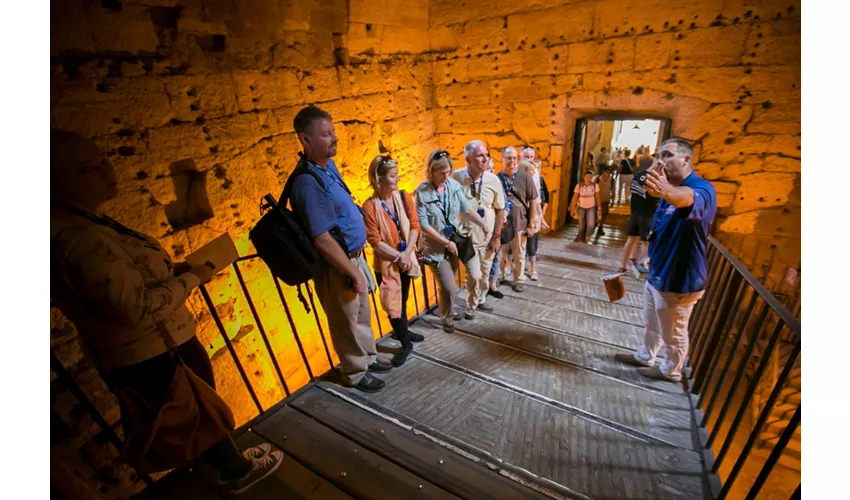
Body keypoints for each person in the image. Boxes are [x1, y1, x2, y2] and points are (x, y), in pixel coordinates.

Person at [49, 130, 283, 494]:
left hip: (152, 347)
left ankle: (218, 467)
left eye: (103, 161)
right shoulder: (80, 239)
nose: (105, 171)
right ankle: (236, 472)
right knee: (193, 415)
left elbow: (127, 281)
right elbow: (137, 308)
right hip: (154, 351)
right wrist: (192, 278)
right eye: (85, 169)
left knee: (192, 414)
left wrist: (169, 270)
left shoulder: (86, 223)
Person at [288, 106, 388, 393]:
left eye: (333, 132)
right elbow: (321, 238)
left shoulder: (326, 167)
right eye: (326, 134)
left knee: (361, 315)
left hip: (354, 258)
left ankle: (367, 359)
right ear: (305, 139)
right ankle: (355, 372)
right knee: (345, 321)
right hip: (337, 265)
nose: (335, 139)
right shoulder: (307, 182)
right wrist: (352, 272)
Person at [615, 138, 717, 383]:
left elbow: (687, 199)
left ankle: (671, 369)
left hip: (679, 278)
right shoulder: (666, 189)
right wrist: (647, 256)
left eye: (668, 155)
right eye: (659, 156)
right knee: (652, 321)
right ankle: (645, 355)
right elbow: (660, 227)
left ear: (686, 159)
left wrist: (665, 191)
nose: (660, 161)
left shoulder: (702, 189)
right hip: (658, 271)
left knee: (674, 331)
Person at [361, 155, 425, 368]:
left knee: (403, 298)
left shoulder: (404, 198)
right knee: (393, 304)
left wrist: (407, 254)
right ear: (379, 179)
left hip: (404, 259)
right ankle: (405, 343)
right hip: (387, 264)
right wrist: (400, 257)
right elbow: (374, 241)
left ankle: (402, 331)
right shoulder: (370, 207)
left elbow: (415, 226)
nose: (397, 179)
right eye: (393, 176)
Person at [416, 149, 487, 333]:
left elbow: (466, 209)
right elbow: (424, 225)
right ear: (432, 171)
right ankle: (447, 318)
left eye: (448, 172)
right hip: (437, 248)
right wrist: (446, 243)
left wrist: (482, 223)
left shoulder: (453, 186)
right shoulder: (422, 193)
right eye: (441, 173)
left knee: (447, 285)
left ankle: (447, 309)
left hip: (453, 243)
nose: (445, 176)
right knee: (448, 286)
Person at [453, 140, 506, 319]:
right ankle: (471, 304)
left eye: (486, 155)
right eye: (480, 156)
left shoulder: (493, 180)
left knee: (484, 273)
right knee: (474, 275)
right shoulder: (456, 178)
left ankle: (480, 299)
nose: (485, 159)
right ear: (468, 159)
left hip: (488, 237)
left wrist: (496, 236)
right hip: (468, 238)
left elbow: (500, 210)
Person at [497, 147, 540, 293]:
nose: (512, 161)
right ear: (502, 159)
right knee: (500, 253)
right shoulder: (497, 178)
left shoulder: (525, 177)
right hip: (501, 224)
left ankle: (518, 279)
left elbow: (533, 201)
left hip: (520, 222)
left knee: (519, 254)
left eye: (515, 158)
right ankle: (499, 276)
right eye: (509, 158)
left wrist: (531, 224)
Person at [619, 160, 660, 274]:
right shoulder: (652, 179)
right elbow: (654, 196)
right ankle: (643, 267)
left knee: (630, 239)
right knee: (645, 242)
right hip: (646, 215)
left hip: (635, 213)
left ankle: (622, 266)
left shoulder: (637, 176)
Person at [520, 158, 549, 281]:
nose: (535, 172)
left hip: (532, 217)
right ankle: (519, 271)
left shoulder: (534, 184)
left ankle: (533, 270)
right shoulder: (518, 184)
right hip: (521, 217)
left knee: (532, 244)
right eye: (532, 170)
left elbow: (537, 202)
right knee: (520, 246)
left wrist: (540, 218)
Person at [485, 157, 505, 299]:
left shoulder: (496, 182)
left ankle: (492, 284)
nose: (492, 170)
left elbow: (504, 203)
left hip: (497, 226)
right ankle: (483, 288)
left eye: (493, 168)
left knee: (496, 256)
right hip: (485, 229)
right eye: (489, 168)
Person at [569, 169, 602, 243]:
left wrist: (599, 209)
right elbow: (575, 197)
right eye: (587, 177)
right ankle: (580, 240)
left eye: (590, 177)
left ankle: (587, 235)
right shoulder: (579, 185)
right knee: (581, 226)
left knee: (591, 224)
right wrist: (572, 208)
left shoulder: (595, 185)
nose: (588, 178)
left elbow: (597, 197)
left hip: (591, 207)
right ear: (584, 177)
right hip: (581, 207)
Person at [594, 168, 614, 237]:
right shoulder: (597, 179)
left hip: (606, 200)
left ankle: (600, 227)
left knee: (604, 215)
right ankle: (595, 224)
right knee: (596, 214)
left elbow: (613, 191)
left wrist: (612, 202)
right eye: (607, 172)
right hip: (597, 200)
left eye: (610, 173)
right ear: (603, 172)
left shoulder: (612, 181)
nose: (608, 174)